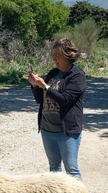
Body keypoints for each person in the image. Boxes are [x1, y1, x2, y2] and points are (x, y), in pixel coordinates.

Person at [28, 38, 87, 180]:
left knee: (71, 170)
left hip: (66, 131)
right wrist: (35, 85)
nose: (54, 59)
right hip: (48, 130)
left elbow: (65, 100)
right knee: (53, 169)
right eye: (53, 55)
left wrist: (45, 86)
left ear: (67, 56)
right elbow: (40, 100)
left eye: (57, 55)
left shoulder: (77, 76)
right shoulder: (53, 73)